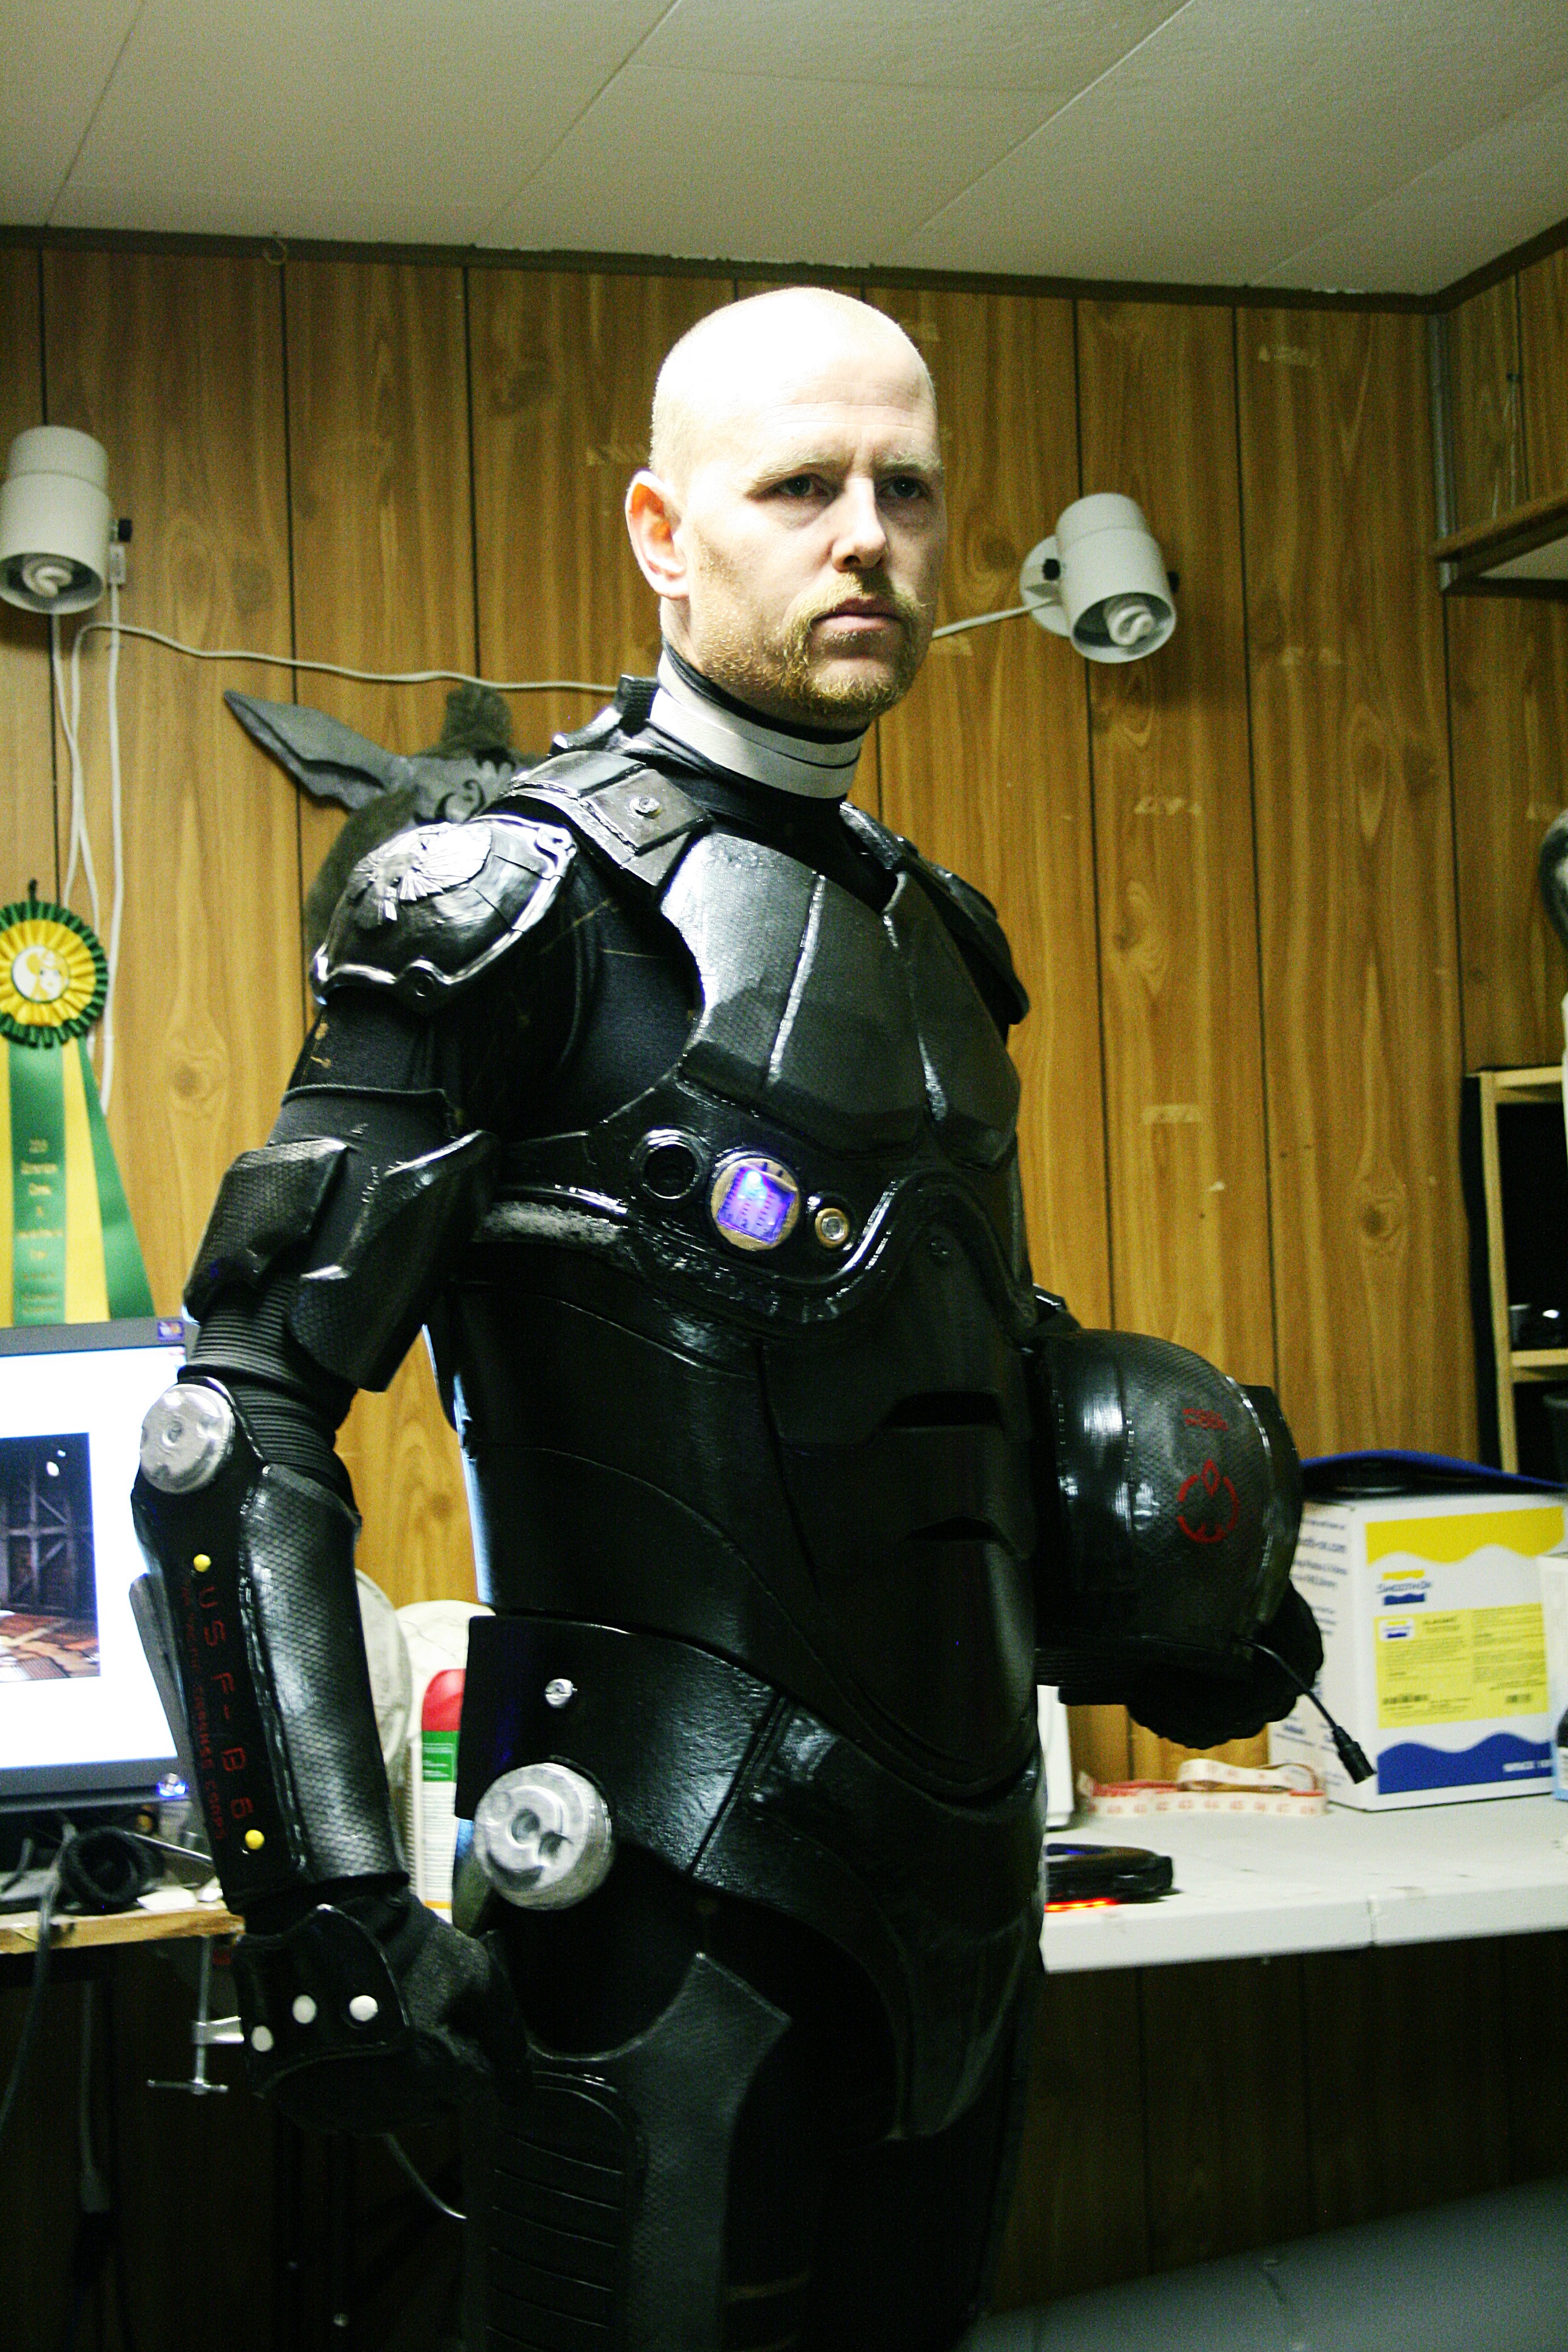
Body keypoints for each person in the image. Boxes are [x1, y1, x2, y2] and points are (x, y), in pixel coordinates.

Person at [131, 288, 1318, 2352]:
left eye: (909, 489)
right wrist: (318, 1900)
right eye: (801, 487)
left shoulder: (942, 936)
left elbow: (929, 1362)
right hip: (655, 1901)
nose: (869, 536)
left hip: (965, 1891)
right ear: (662, 533)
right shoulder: (502, 901)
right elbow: (235, 1420)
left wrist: (1163, 1583)